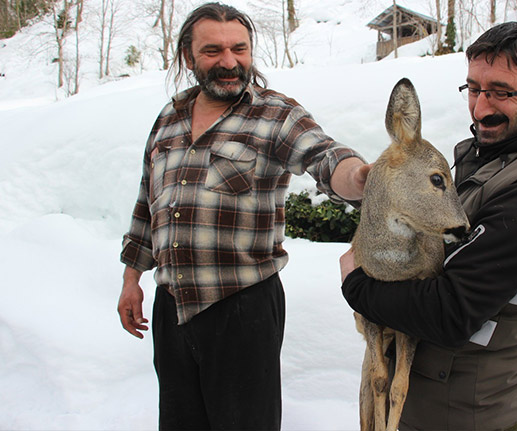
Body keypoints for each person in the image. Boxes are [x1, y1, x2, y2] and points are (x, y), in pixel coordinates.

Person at [117, 3, 368, 430]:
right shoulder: (168, 119)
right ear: (187, 57)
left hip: (242, 307)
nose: (230, 62)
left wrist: (363, 177)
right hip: (172, 307)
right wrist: (130, 280)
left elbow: (326, 157)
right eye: (213, 50)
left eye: (240, 49)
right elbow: (148, 203)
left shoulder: (275, 114)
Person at [340, 21, 517, 431]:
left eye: (502, 92)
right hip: (425, 404)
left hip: (464, 416)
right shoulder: (494, 156)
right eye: (474, 89)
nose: (481, 108)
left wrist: (357, 284)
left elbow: (449, 313)